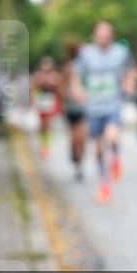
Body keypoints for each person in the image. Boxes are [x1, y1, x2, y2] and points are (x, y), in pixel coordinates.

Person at [70, 21, 136, 204]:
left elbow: (132, 71)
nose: (104, 38)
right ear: (94, 35)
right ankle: (105, 185)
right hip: (93, 107)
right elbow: (75, 74)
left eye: (107, 34)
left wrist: (129, 82)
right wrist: (77, 90)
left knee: (112, 136)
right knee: (98, 149)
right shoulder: (86, 54)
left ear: (112, 36)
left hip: (113, 105)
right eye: (100, 34)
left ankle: (116, 156)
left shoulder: (121, 53)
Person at [60, 40, 88, 181]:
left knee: (82, 137)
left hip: (85, 108)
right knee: (75, 138)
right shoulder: (68, 68)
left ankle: (80, 164)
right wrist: (69, 95)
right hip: (71, 108)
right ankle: (75, 156)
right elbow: (61, 88)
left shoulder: (89, 67)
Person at [31, 56, 62, 158]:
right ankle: (43, 144)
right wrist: (33, 101)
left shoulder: (55, 76)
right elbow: (33, 89)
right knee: (43, 125)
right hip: (42, 101)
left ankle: (46, 147)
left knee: (48, 124)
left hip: (51, 100)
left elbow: (60, 90)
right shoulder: (38, 76)